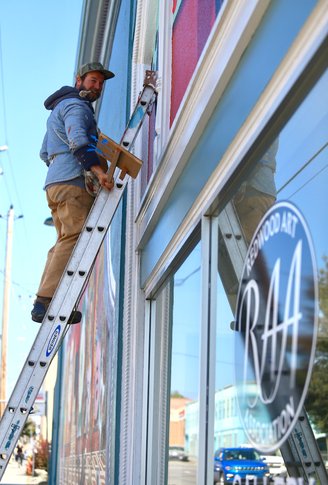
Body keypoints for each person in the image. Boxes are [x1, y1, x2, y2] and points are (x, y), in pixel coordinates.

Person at [31, 62, 115, 324]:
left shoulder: (60, 108)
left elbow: (45, 153)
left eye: (101, 83)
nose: (97, 86)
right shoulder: (77, 107)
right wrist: (99, 172)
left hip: (55, 183)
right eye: (92, 80)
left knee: (64, 241)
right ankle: (46, 302)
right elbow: (78, 139)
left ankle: (47, 301)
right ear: (79, 80)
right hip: (71, 183)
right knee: (75, 238)